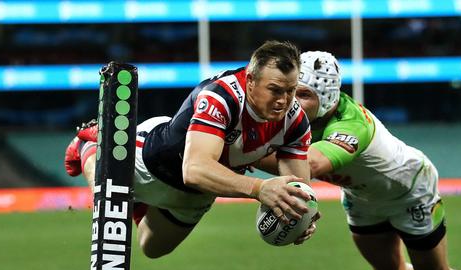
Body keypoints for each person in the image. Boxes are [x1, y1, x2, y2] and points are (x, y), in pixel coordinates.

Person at [257, 51, 461, 270]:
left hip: (410, 189)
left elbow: (307, 164)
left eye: (303, 94)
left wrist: (243, 153)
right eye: (289, 91)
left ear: (327, 97)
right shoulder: (292, 118)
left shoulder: (351, 124)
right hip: (361, 196)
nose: (292, 102)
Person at [64, 40, 317, 258]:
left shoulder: (295, 122)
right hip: (151, 162)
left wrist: (301, 216)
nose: (283, 100)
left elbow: (299, 190)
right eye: (274, 90)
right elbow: (194, 169)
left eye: (291, 90)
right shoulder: (221, 97)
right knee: (107, 187)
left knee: (152, 248)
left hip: (197, 193)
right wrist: (259, 188)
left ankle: (139, 203)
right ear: (251, 81)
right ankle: (90, 145)